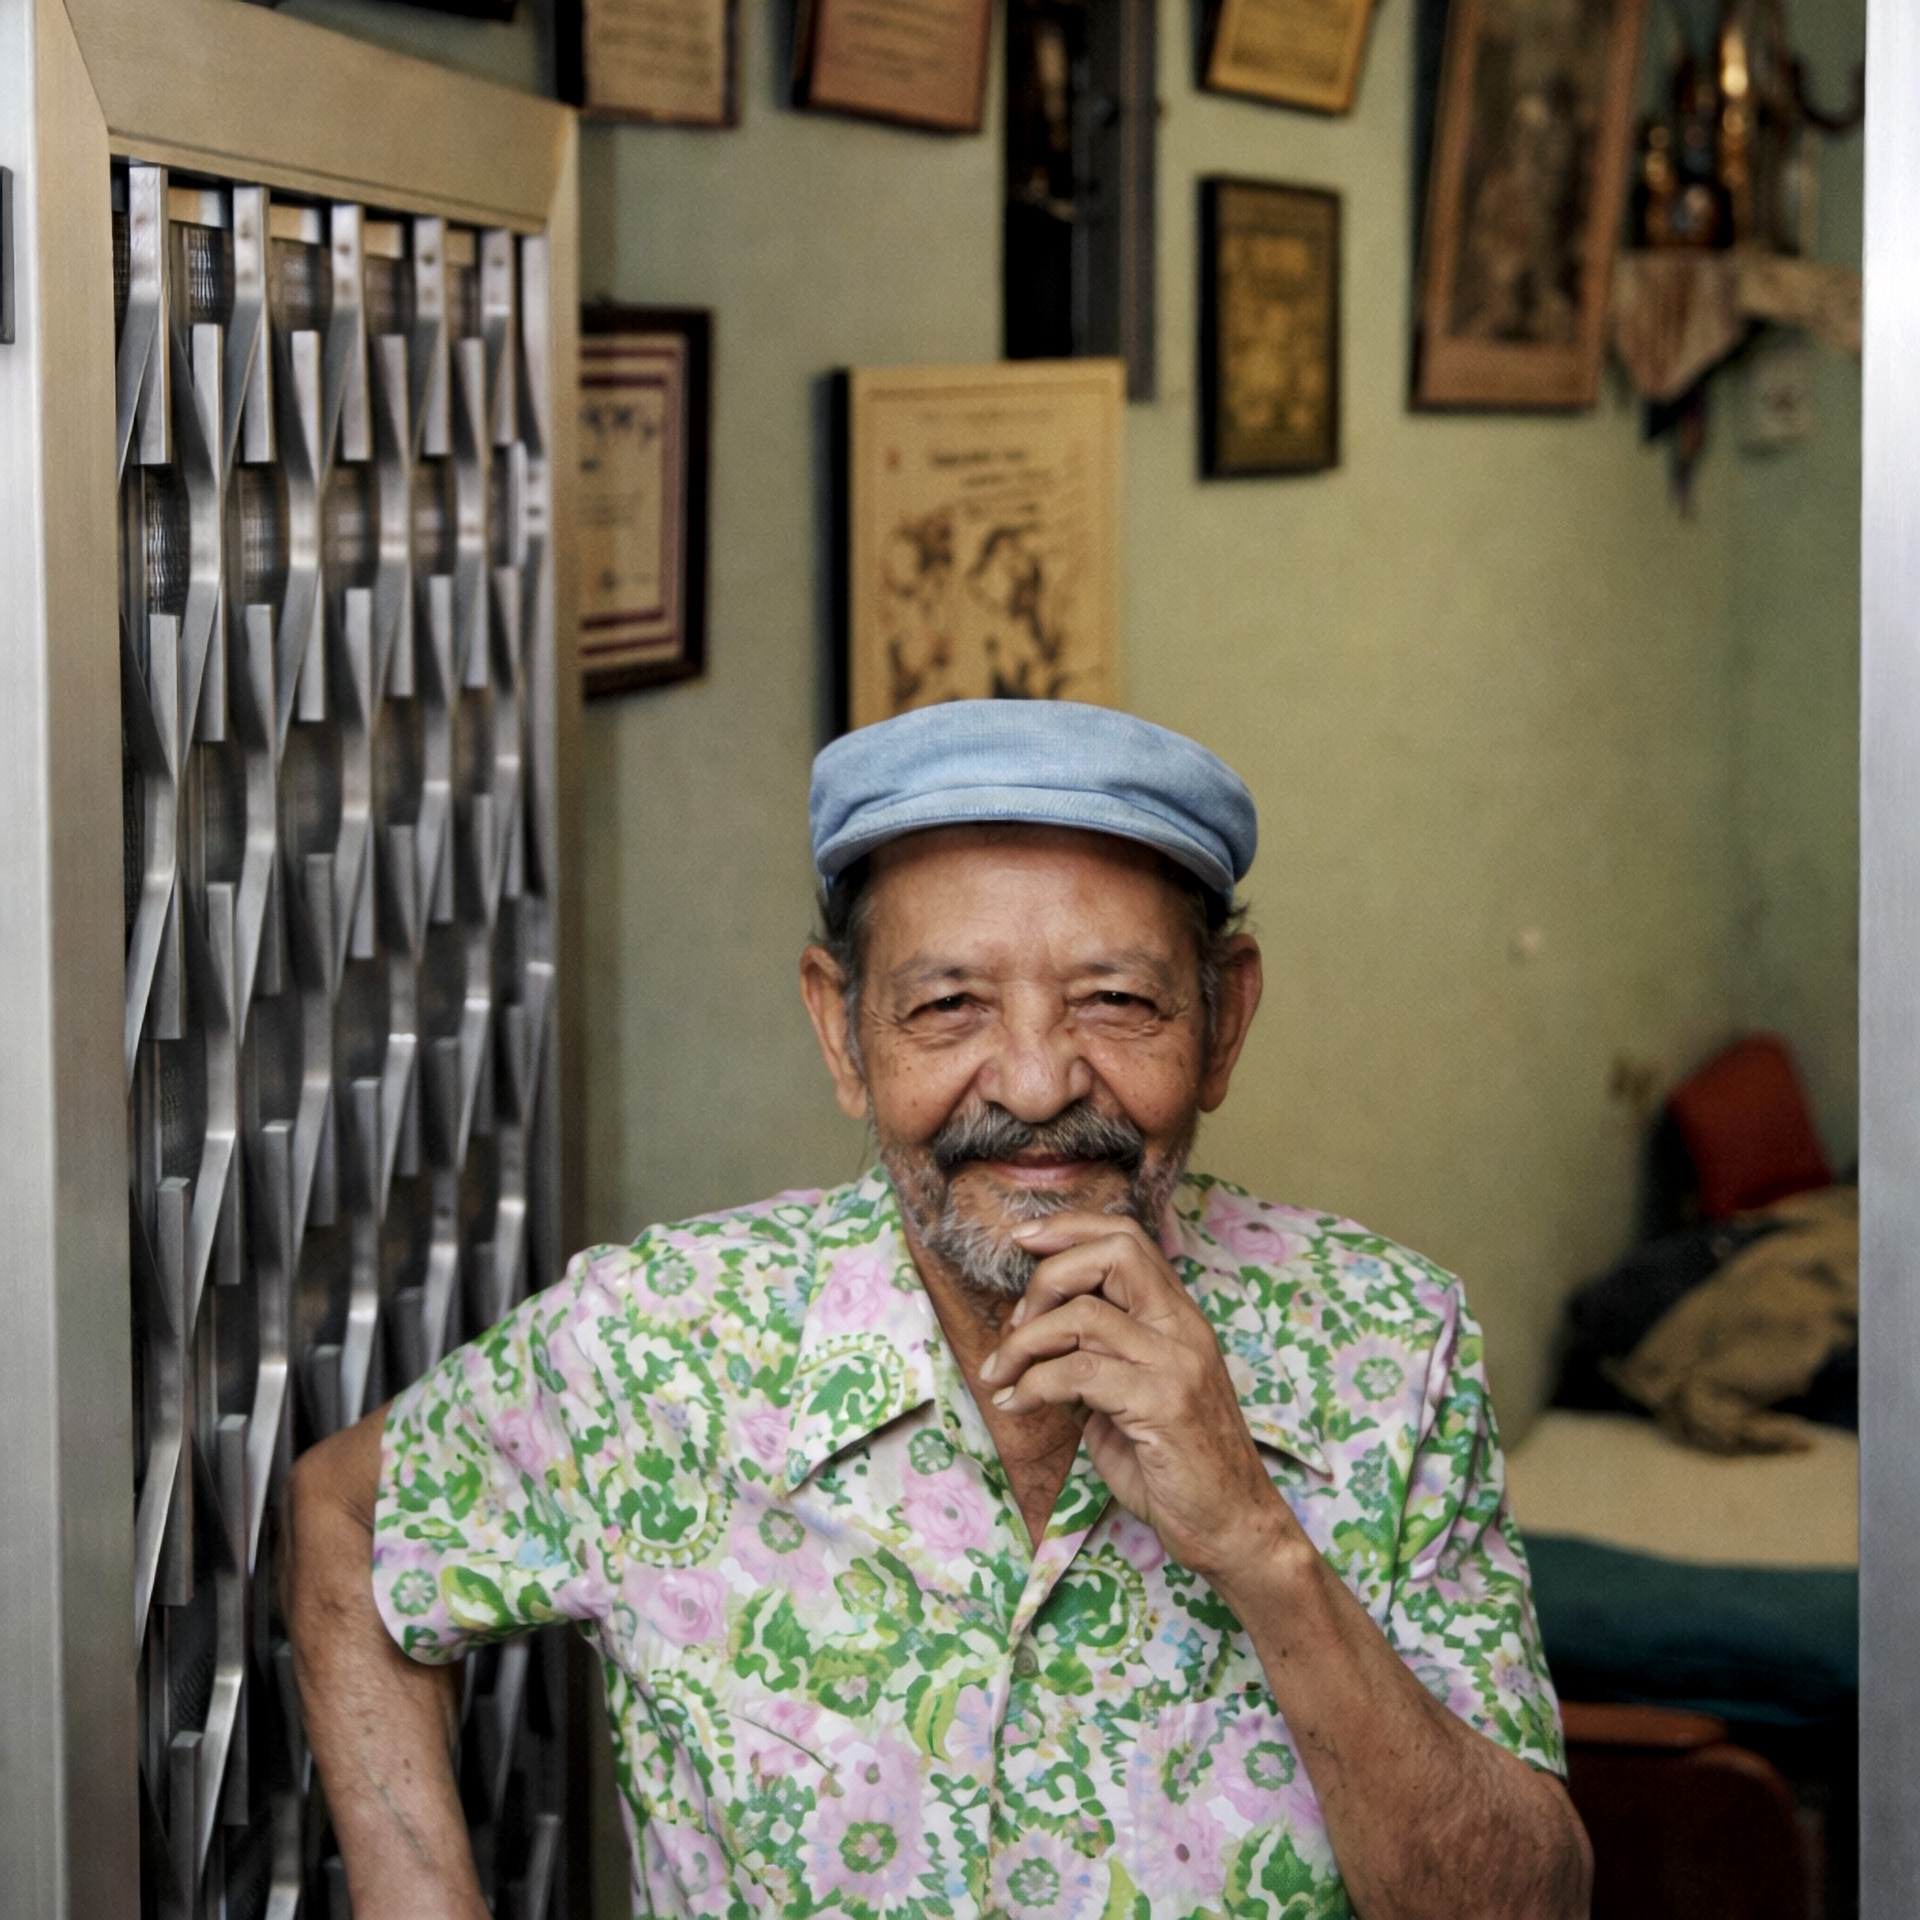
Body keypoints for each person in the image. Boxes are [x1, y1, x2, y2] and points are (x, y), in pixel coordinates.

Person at [284, 701, 1591, 1920]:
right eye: (949, 1005)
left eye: (1118, 1001)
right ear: (844, 1032)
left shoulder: (1384, 1348)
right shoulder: (656, 1347)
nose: (1031, 1083)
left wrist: (1260, 1545)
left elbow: (1528, 1905)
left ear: (1225, 1019)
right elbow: (346, 1517)